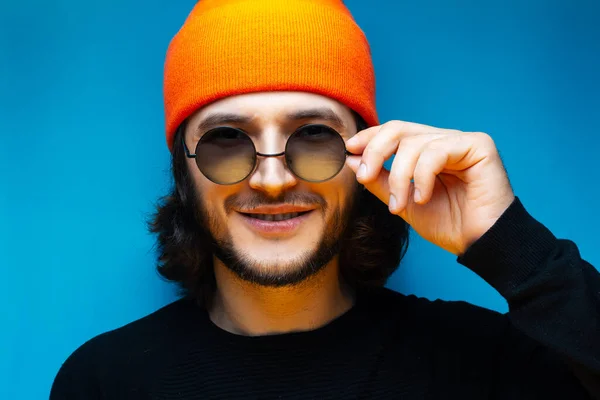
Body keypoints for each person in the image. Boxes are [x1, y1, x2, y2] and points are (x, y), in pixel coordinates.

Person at [50, 0, 600, 398]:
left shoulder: (488, 363)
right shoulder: (103, 381)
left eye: (314, 136)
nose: (271, 180)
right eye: (226, 141)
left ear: (365, 158)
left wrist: (514, 245)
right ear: (184, 174)